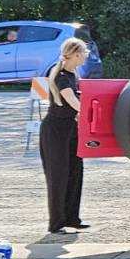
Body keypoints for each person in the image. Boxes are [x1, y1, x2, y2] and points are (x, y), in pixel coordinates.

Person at [41, 37, 91, 235]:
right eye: (84, 53)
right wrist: (91, 115)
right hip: (55, 132)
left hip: (71, 129)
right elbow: (73, 102)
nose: (86, 56)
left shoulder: (73, 74)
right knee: (58, 176)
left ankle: (72, 217)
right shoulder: (61, 76)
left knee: (75, 172)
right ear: (76, 54)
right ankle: (56, 223)